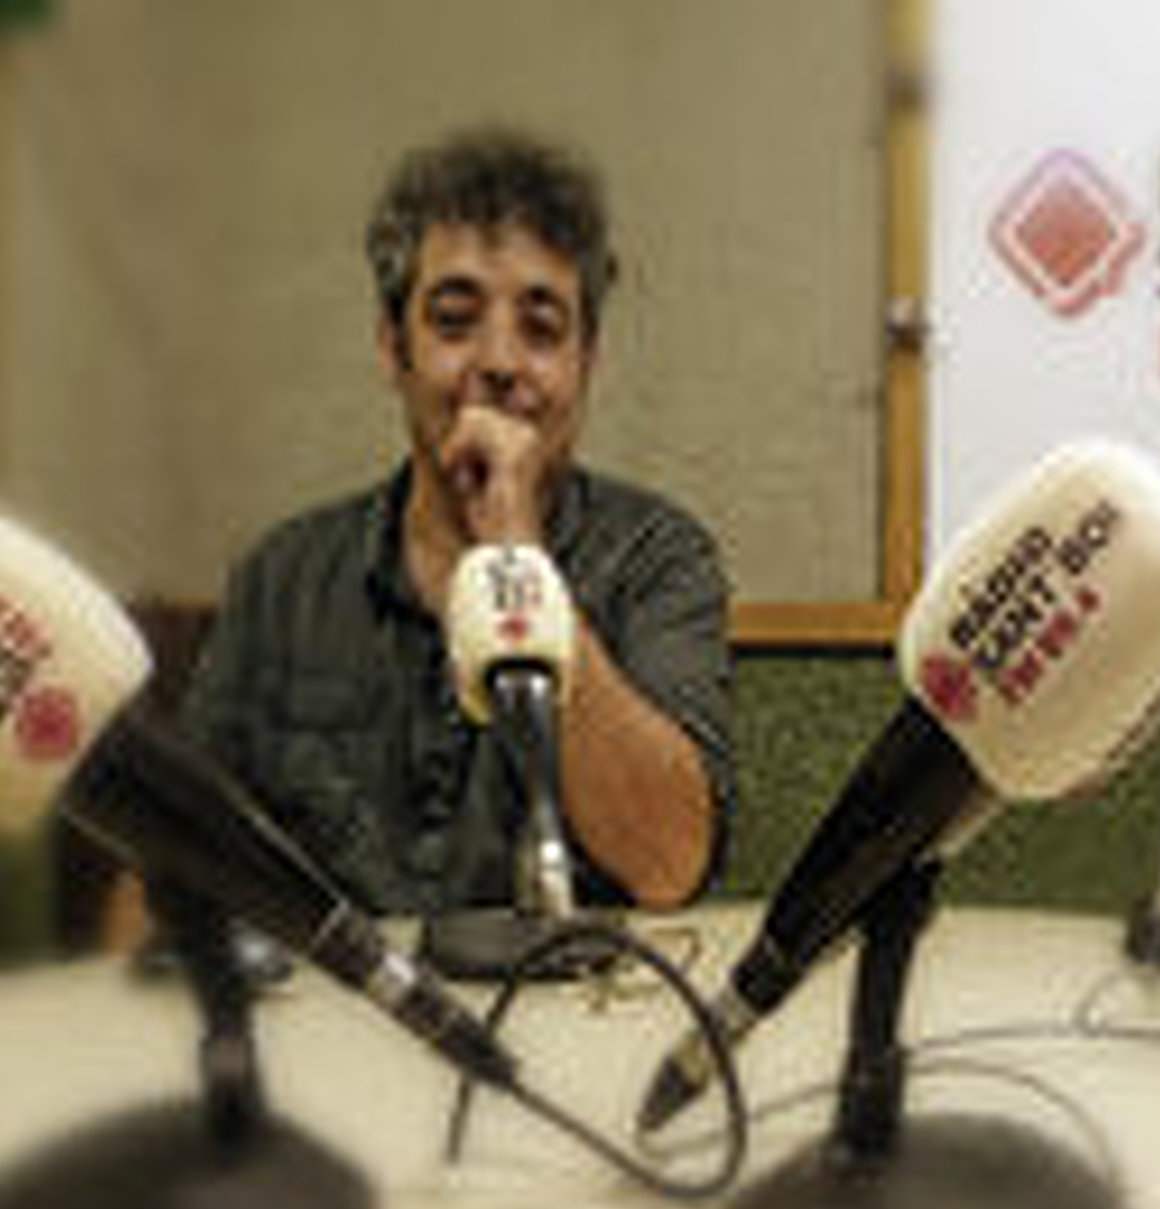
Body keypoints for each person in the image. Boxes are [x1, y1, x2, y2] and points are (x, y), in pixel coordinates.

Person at [166, 129, 734, 925]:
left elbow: (670, 862)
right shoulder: (280, 576)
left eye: (542, 329)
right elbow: (175, 860)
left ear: (587, 363)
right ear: (392, 347)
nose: (499, 361)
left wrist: (516, 553)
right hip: (337, 995)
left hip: (574, 995)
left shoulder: (657, 558)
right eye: (456, 320)